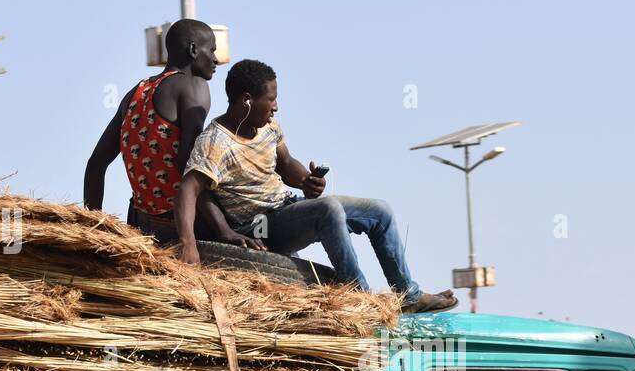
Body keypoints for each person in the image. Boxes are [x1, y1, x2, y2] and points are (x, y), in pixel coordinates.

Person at [174, 58, 458, 313]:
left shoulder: (268, 125)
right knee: (329, 210)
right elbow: (190, 189)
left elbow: (285, 162)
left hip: (287, 208)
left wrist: (305, 181)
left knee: (379, 212)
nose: (276, 106)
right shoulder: (215, 141)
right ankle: (359, 297)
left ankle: (408, 295)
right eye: (270, 99)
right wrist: (192, 243)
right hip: (260, 225)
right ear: (247, 100)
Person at [83, 19, 219, 241]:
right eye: (211, 50)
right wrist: (222, 227)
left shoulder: (135, 93)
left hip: (141, 222)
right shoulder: (194, 86)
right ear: (194, 50)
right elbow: (189, 163)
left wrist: (94, 228)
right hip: (182, 220)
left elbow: (96, 164)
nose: (215, 59)